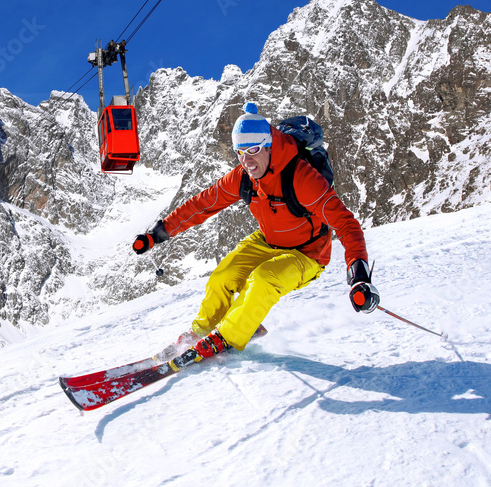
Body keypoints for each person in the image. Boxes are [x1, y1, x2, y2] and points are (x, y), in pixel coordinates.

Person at [132, 101, 379, 361]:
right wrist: (156, 235)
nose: (247, 161)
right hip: (268, 241)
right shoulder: (243, 177)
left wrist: (359, 276)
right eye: (240, 153)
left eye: (253, 150)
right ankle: (200, 333)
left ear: (270, 144)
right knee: (222, 277)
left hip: (308, 253)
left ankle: (227, 337)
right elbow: (202, 204)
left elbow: (345, 223)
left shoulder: (301, 177)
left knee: (264, 278)